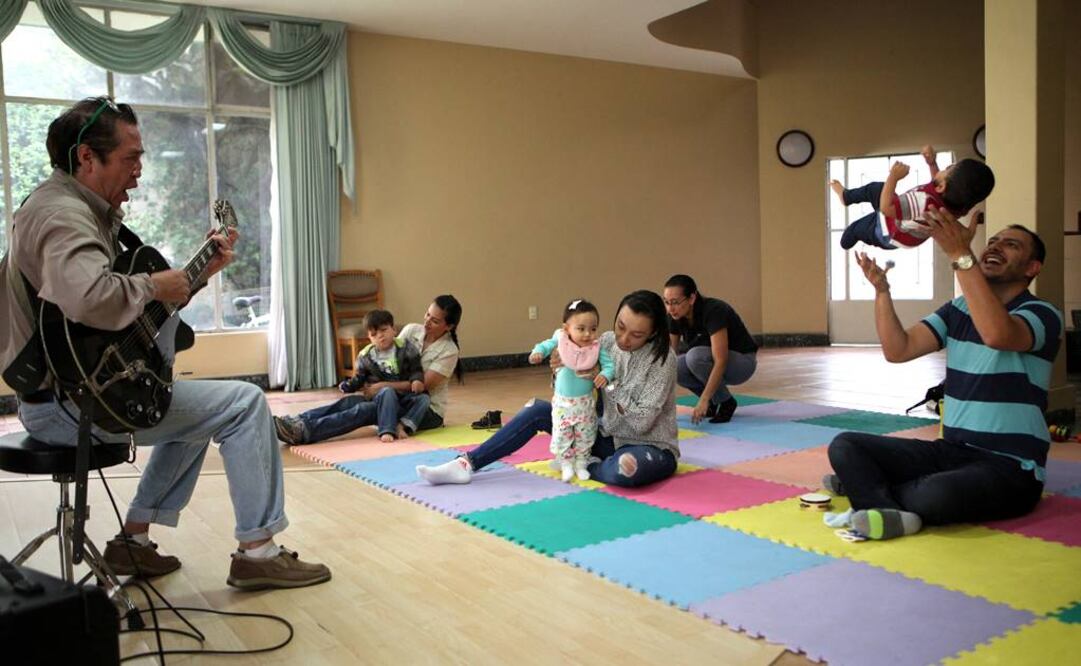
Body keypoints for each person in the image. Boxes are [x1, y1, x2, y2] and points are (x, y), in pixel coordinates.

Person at [0, 97, 329, 589]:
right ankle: (259, 551)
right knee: (243, 403)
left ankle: (132, 542)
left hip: (67, 395)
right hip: (69, 408)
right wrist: (157, 285)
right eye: (131, 157)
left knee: (195, 409)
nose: (139, 170)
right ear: (87, 157)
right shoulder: (63, 215)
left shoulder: (71, 208)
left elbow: (111, 322)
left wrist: (195, 277)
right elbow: (92, 298)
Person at [825, 212, 1062, 541]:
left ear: (1032, 268)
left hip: (1011, 466)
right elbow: (899, 349)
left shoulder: (1042, 314)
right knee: (846, 445)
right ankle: (884, 505)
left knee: (935, 496)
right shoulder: (958, 310)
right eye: (993, 241)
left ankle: (869, 491)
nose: (996, 246)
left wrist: (959, 256)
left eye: (1011, 245)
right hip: (950, 452)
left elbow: (998, 334)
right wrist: (882, 292)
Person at [417, 290, 679, 488]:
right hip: (603, 436)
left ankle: (589, 464)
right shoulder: (605, 342)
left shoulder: (664, 360)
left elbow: (642, 423)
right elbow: (571, 390)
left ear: (654, 333)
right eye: (620, 327)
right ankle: (466, 463)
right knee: (537, 409)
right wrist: (560, 370)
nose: (623, 339)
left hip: (648, 446)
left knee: (625, 469)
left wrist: (606, 382)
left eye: (636, 335)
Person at [274, 295, 463, 444]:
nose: (427, 321)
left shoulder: (449, 351)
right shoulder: (413, 330)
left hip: (424, 410)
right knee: (350, 403)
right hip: (394, 396)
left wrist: (382, 386)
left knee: (365, 410)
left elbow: (422, 386)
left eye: (435, 321)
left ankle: (304, 432)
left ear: (449, 326)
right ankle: (297, 420)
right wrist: (369, 379)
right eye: (427, 314)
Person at [831, 145, 995, 251]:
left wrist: (893, 177)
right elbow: (939, 186)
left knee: (855, 228)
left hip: (886, 230)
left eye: (947, 168)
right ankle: (846, 197)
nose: (943, 169)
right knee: (879, 189)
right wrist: (932, 164)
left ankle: (847, 240)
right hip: (900, 226)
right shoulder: (956, 207)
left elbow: (887, 209)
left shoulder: (922, 202)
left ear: (941, 186)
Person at [529, 299, 614, 482]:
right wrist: (537, 353)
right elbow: (545, 345)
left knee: (585, 434)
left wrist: (605, 375)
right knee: (562, 434)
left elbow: (609, 365)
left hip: (585, 404)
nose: (587, 334)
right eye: (581, 328)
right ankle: (566, 463)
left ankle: (581, 462)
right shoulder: (561, 340)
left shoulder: (596, 348)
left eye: (593, 329)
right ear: (566, 328)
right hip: (563, 404)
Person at [663, 274, 758, 424]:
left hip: (742, 363)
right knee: (675, 366)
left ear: (692, 298)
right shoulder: (674, 316)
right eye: (667, 303)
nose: (670, 308)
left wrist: (703, 400)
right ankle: (714, 402)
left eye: (675, 302)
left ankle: (726, 402)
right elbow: (667, 359)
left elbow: (721, 360)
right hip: (708, 361)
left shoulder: (714, 310)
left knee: (694, 357)